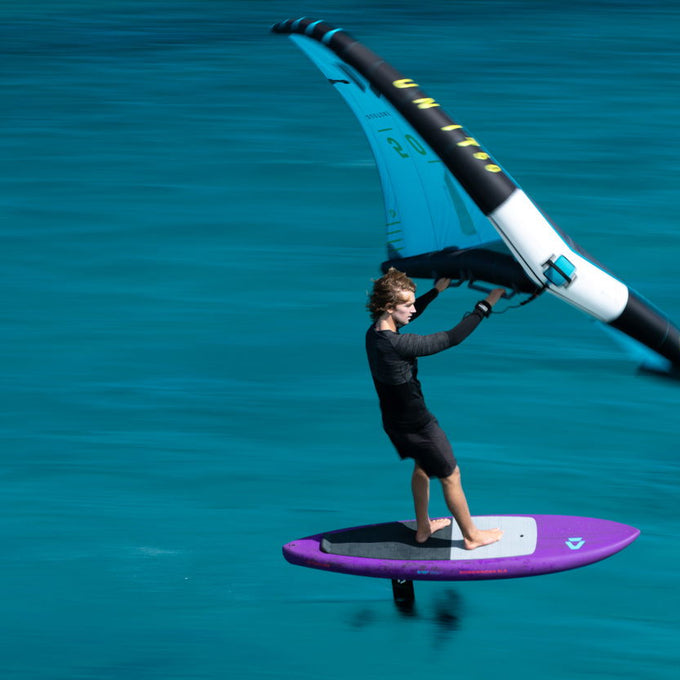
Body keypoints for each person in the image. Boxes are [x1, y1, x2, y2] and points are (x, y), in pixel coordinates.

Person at [365, 267, 505, 549]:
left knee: (422, 467)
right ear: (390, 307)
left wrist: (436, 291)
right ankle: (472, 536)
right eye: (408, 305)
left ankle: (423, 528)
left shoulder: (374, 332)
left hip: (393, 422)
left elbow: (407, 314)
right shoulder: (400, 345)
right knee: (451, 475)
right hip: (418, 424)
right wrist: (486, 305)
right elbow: (452, 338)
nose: (413, 309)